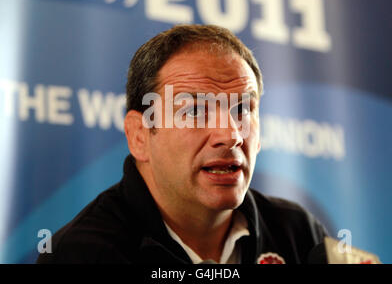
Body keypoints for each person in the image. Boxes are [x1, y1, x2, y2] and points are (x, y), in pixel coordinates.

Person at [36, 24, 327, 264]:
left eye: (242, 110)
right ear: (139, 136)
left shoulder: (298, 232)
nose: (231, 135)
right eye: (196, 111)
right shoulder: (81, 254)